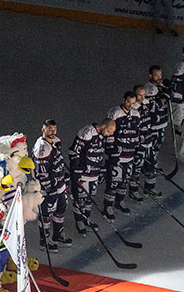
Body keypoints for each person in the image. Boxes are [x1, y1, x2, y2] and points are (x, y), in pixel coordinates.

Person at [69, 119, 115, 235]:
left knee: (89, 198)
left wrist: (102, 170)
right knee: (80, 199)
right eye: (109, 131)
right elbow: (74, 152)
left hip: (94, 173)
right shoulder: (87, 133)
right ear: (103, 126)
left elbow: (100, 154)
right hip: (84, 174)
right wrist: (76, 171)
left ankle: (86, 219)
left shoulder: (102, 136)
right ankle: (79, 221)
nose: (109, 135)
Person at [33, 119, 72, 251]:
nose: (52, 131)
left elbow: (58, 160)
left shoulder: (56, 141)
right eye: (49, 129)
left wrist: (63, 175)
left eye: (54, 129)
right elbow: (41, 173)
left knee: (61, 209)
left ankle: (58, 234)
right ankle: (44, 240)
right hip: (48, 190)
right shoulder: (42, 149)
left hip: (59, 185)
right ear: (43, 129)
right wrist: (50, 189)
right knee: (46, 214)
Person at [103, 92, 141, 220]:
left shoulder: (136, 114)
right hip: (117, 156)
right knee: (113, 182)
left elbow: (137, 133)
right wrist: (110, 151)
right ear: (124, 100)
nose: (130, 105)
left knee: (124, 181)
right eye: (128, 102)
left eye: (133, 102)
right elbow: (108, 132)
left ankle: (120, 201)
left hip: (129, 155)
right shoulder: (115, 113)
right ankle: (108, 205)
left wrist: (138, 151)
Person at [141, 65, 171, 196]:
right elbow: (153, 107)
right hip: (152, 127)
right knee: (151, 153)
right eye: (156, 75)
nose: (159, 78)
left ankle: (153, 165)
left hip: (161, 124)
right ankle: (149, 182)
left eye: (160, 75)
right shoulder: (149, 89)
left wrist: (168, 90)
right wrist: (164, 97)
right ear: (150, 76)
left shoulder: (160, 86)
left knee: (158, 146)